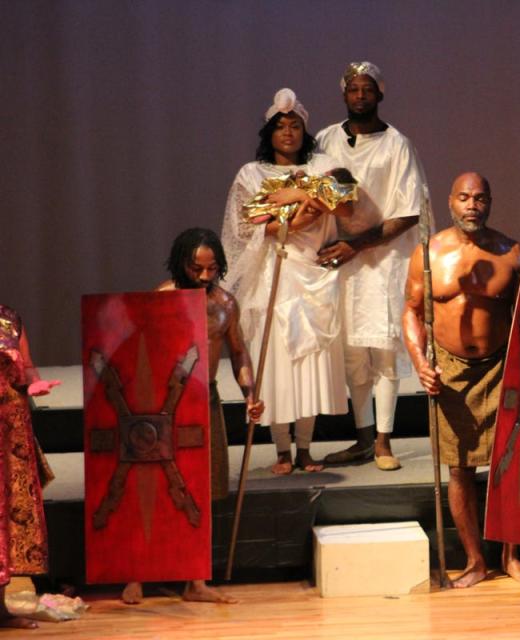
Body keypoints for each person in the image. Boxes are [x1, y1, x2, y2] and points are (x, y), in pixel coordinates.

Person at [118, 228, 265, 605]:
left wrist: (250, 394)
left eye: (212, 268)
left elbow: (239, 354)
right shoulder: (162, 298)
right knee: (152, 487)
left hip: (205, 401)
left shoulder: (225, 304)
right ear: (181, 263)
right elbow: (134, 350)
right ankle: (138, 576)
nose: (204, 276)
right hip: (161, 406)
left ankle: (195, 582)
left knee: (201, 492)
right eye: (196, 268)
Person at [402, 172, 520, 588]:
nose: (472, 205)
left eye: (479, 198)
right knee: (460, 470)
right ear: (451, 201)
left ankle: (511, 556)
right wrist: (420, 361)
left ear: (490, 202)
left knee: (508, 467)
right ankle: (476, 560)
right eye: (464, 197)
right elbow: (411, 310)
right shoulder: (427, 253)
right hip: (450, 371)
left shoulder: (511, 253)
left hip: (500, 367)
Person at [220, 88, 352, 475]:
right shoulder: (252, 173)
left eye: (295, 126)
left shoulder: (322, 167)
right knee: (275, 361)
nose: (289, 133)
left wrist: (300, 195)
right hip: (272, 272)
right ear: (270, 133)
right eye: (281, 127)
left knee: (308, 360)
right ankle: (281, 449)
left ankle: (306, 448)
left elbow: (344, 196)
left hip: (312, 272)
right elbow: (244, 225)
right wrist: (292, 217)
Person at [316, 62, 431, 471]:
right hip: (340, 264)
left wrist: (356, 245)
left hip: (384, 262)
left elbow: (409, 211)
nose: (360, 95)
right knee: (351, 353)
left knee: (383, 351)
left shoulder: (397, 144)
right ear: (344, 94)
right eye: (353, 89)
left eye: (368, 89)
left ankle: (384, 441)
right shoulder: (325, 140)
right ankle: (362, 437)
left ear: (380, 95)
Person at [0, 306, 60, 629]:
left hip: (10, 431)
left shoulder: (10, 320)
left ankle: (1, 608)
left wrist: (34, 383)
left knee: (9, 517)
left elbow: (28, 367)